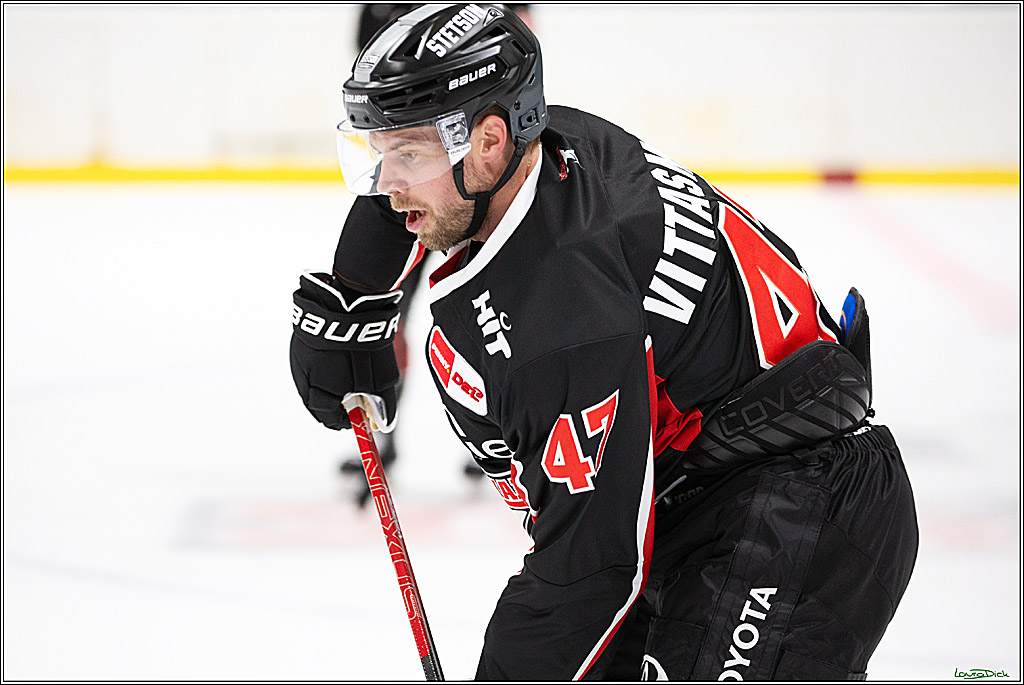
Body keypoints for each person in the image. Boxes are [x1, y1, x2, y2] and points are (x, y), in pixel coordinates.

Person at [289, 3, 919, 680]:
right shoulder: (543, 150)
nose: (385, 185)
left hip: (798, 511)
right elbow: (428, 182)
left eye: (404, 155)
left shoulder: (563, 311)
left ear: (490, 141)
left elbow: (588, 571)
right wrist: (357, 284)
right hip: (701, 501)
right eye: (379, 154)